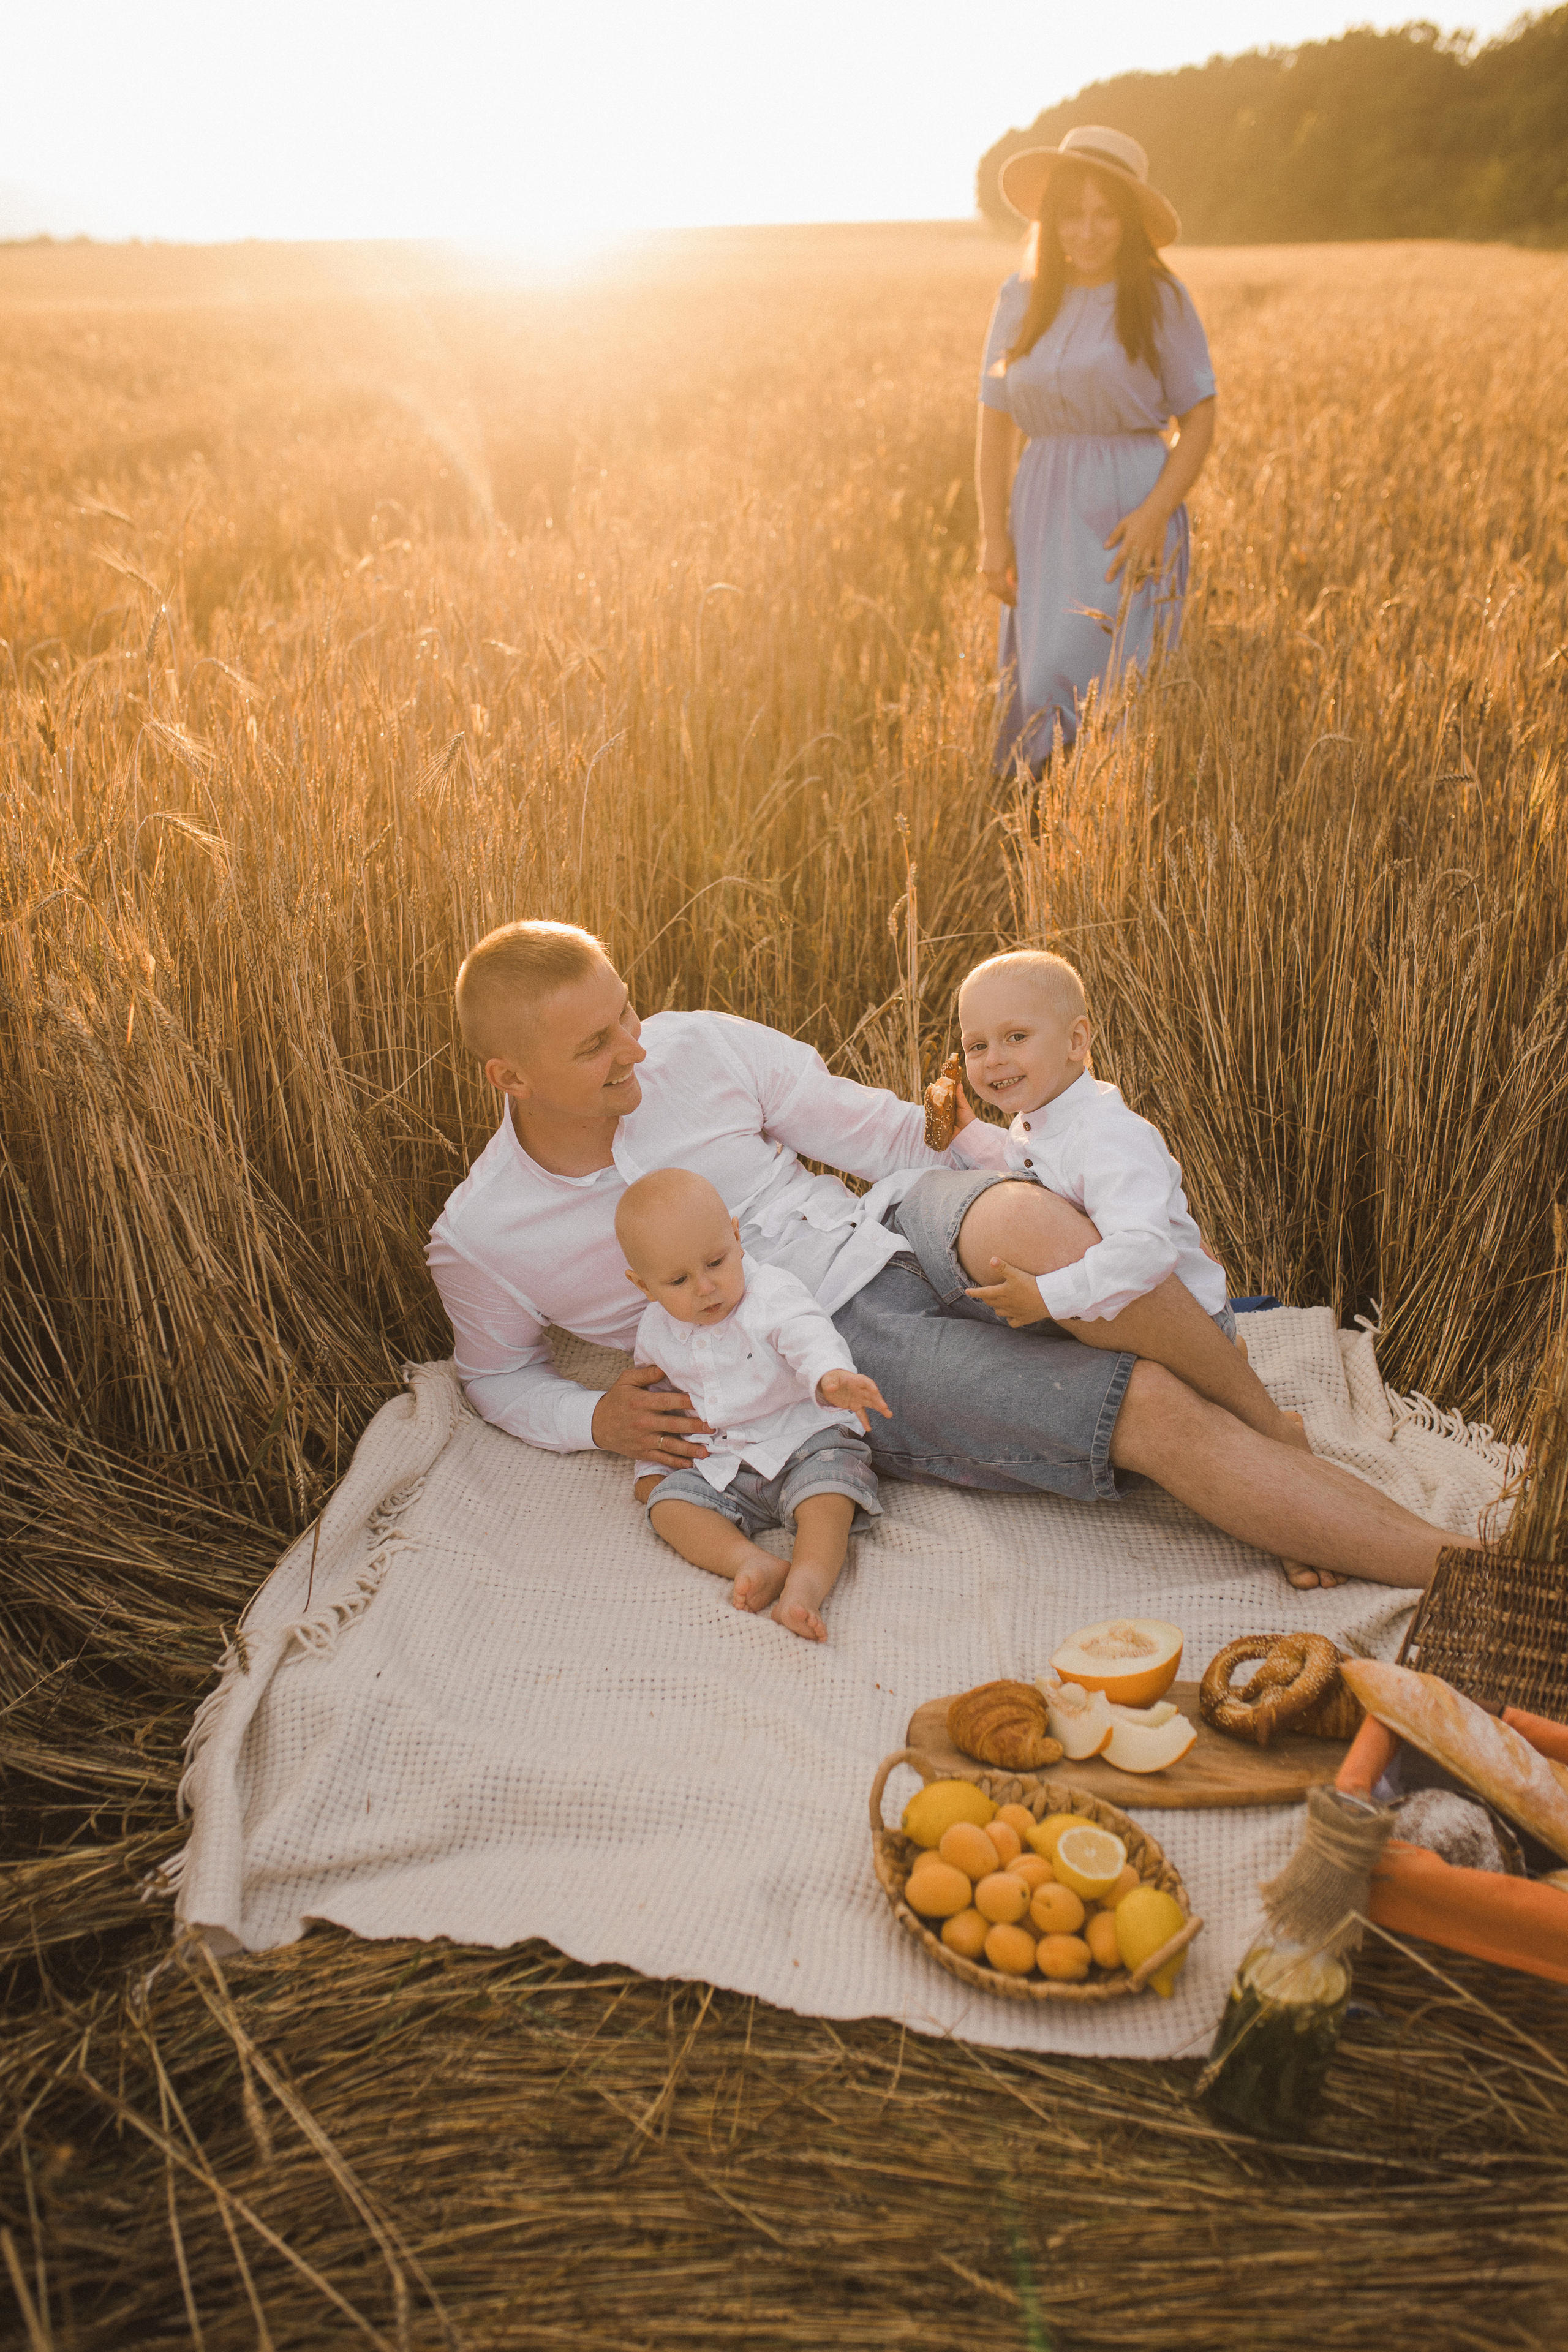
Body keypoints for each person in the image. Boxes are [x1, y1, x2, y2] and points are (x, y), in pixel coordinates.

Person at [428, 917, 1469, 1593]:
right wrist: (597, 1418)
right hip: (831, 1348)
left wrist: (1051, 1188)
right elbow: (498, 1376)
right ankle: (1471, 1576)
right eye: (596, 1047)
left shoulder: (696, 1047)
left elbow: (883, 1137)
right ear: (508, 1075)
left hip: (878, 1225)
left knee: (1030, 1222)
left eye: (628, 1015)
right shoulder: (485, 1234)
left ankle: (1265, 1428)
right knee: (1144, 1404)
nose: (637, 1050)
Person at [977, 124, 1217, 767]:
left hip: (1127, 507)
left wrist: (1155, 514)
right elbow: (994, 417)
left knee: (1119, 684)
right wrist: (992, 533)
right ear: (1050, 222)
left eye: (1104, 214)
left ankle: (1112, 834)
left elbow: (1199, 416)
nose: (1086, 231)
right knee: (1042, 673)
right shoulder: (1020, 297)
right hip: (1041, 505)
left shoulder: (1160, 298)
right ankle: (1042, 830)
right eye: (1072, 215)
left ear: (1128, 222)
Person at [617, 1168, 891, 1641]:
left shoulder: (771, 1295)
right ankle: (749, 1561)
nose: (706, 1288)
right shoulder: (654, 1332)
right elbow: (657, 1406)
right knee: (669, 1508)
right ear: (645, 1287)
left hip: (803, 1441)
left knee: (831, 1494)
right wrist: (652, 1471)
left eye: (717, 1262)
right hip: (722, 1463)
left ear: (737, 1238)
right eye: (679, 1280)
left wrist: (831, 1379)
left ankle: (806, 1583)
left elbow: (808, 1336)